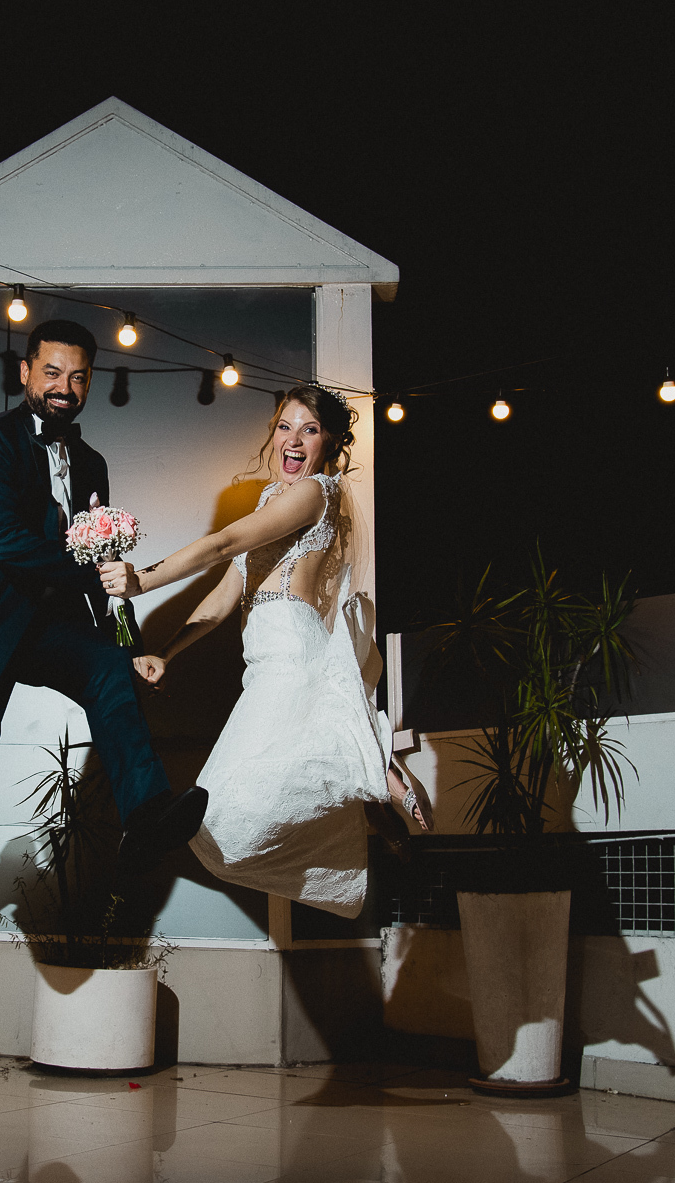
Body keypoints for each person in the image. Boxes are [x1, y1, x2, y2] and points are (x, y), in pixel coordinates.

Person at [100, 384, 429, 916]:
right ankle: (368, 785)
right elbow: (229, 590)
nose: (293, 441)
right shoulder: (271, 498)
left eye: (310, 429)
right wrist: (171, 650)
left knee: (228, 815)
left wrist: (143, 579)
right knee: (217, 828)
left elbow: (224, 543)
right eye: (285, 426)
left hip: (292, 653)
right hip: (265, 659)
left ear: (331, 443)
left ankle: (373, 769)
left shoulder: (315, 493)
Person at [0, 318, 208, 872]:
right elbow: (4, 543)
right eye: (51, 373)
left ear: (89, 384)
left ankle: (147, 813)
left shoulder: (92, 465)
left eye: (79, 377)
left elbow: (104, 560)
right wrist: (92, 573)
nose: (64, 387)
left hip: (48, 628)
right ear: (25, 373)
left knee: (110, 671)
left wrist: (130, 644)